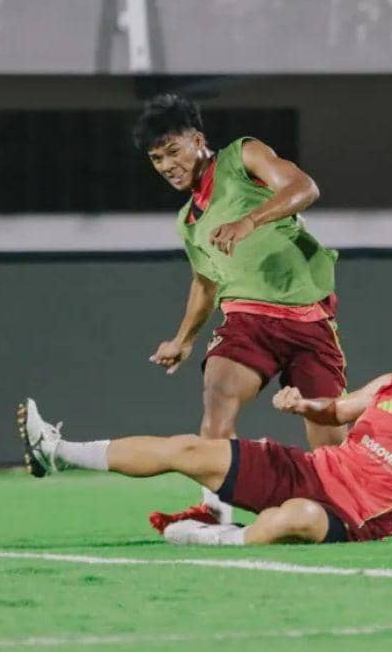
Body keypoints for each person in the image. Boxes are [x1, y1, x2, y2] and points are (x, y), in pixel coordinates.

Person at [16, 298, 392, 544]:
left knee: (293, 517)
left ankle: (215, 540)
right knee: (189, 450)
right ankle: (57, 451)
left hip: (352, 517)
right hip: (310, 469)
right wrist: (304, 406)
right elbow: (339, 411)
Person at [131, 94, 348, 528]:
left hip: (308, 320)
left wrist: (250, 221)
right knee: (217, 406)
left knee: (329, 439)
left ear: (198, 140)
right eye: (157, 158)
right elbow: (205, 284)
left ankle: (345, 508)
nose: (167, 165)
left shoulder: (241, 155)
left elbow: (304, 187)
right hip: (247, 321)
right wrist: (184, 339)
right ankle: (213, 513)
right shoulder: (188, 221)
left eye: (173, 151)